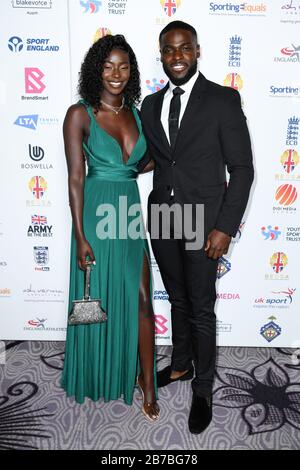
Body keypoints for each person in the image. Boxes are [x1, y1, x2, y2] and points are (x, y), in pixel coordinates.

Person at [140, 21, 254, 433]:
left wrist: (225, 227)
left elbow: (242, 169)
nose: (177, 57)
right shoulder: (150, 105)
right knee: (177, 300)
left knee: (202, 309)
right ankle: (183, 365)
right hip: (164, 217)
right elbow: (156, 157)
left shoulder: (223, 100)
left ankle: (203, 389)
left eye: (184, 48)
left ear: (197, 50)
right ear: (161, 55)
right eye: (169, 50)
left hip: (204, 222)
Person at [61, 34, 159, 422]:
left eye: (124, 66)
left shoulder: (138, 113)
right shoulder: (79, 114)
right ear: (96, 70)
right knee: (97, 299)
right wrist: (81, 236)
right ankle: (97, 372)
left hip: (129, 213)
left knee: (141, 299)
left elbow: (144, 161)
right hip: (96, 217)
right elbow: (75, 179)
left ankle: (147, 383)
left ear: (132, 72)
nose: (116, 74)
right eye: (108, 66)